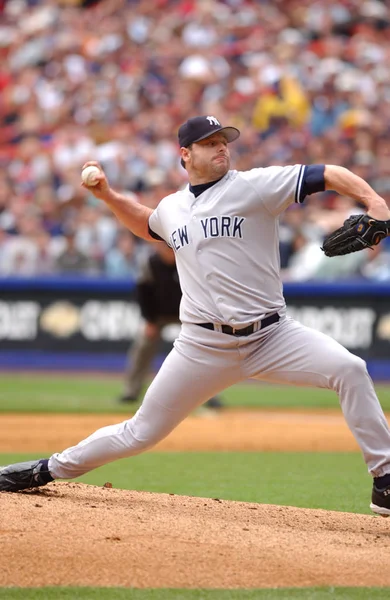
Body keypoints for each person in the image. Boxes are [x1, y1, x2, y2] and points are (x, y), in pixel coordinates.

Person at [2, 114, 390, 517]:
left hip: (273, 336)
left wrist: (374, 202)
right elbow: (149, 224)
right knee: (139, 433)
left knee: (350, 369)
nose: (221, 146)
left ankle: (386, 480)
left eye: (224, 140)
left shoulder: (255, 186)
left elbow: (327, 173)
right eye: (209, 142)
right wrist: (107, 196)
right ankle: (45, 470)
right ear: (185, 154)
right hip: (202, 346)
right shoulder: (173, 207)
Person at [119, 241, 224, 409]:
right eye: (165, 247)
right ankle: (131, 392)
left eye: (171, 247)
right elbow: (142, 292)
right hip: (158, 315)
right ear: (158, 247)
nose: (168, 251)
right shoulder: (150, 263)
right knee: (142, 346)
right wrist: (149, 321)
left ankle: (211, 396)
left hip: (190, 314)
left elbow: (205, 290)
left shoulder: (188, 261)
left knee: (207, 349)